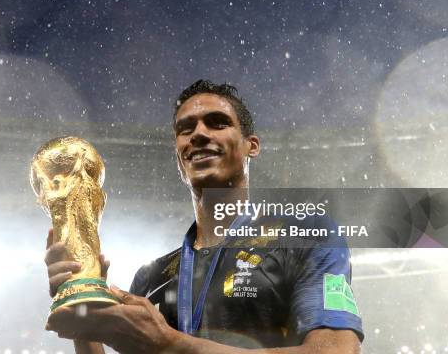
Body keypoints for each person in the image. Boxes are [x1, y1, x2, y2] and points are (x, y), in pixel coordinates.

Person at [44, 80, 364, 353]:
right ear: (179, 154)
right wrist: (81, 307)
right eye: (186, 129)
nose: (198, 133)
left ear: (251, 145)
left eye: (217, 122)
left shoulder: (305, 235)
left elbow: (336, 350)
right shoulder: (151, 276)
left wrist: (170, 345)